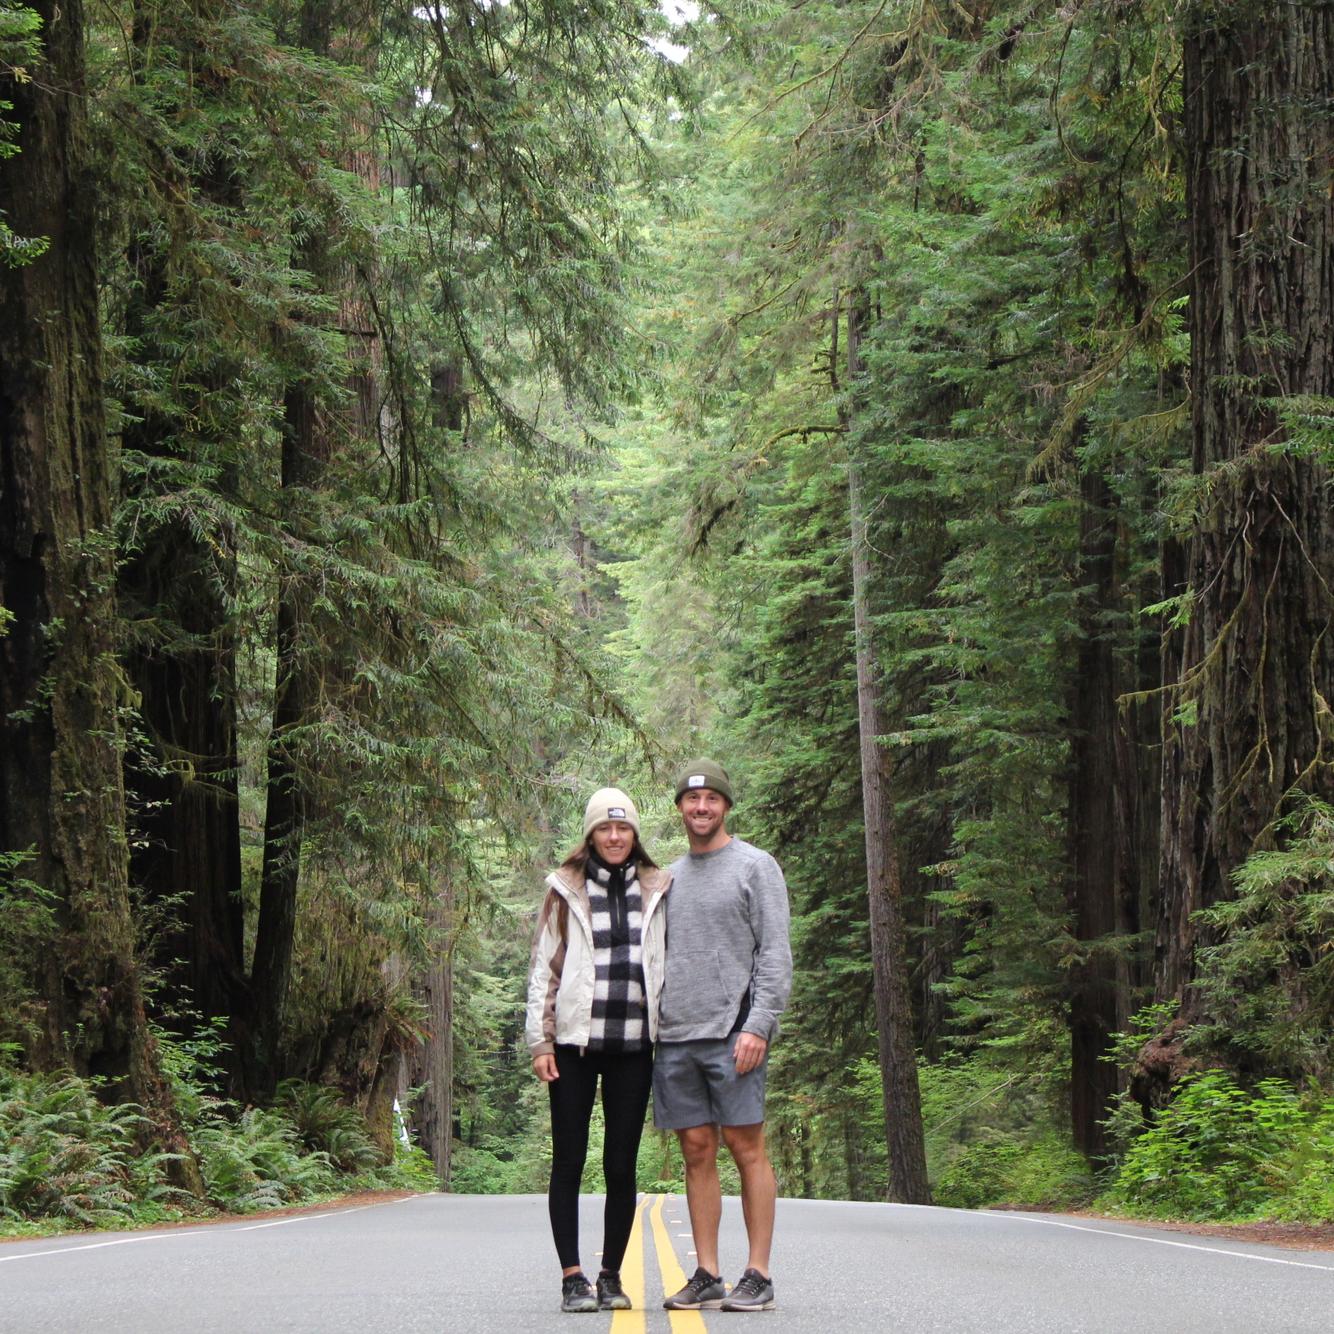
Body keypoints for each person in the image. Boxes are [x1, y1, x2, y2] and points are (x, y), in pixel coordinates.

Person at [525, 787, 671, 1314]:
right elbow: (546, 969)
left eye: (623, 828)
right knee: (568, 1160)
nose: (614, 837)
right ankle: (571, 1278)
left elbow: (664, 966)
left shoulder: (657, 888)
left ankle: (611, 1276)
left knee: (621, 1164)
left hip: (634, 1047)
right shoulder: (564, 889)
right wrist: (540, 1039)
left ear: (634, 834)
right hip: (573, 1046)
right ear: (590, 834)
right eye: (605, 829)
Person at [654, 758, 792, 1313]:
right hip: (675, 1037)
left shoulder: (755, 867)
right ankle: (708, 1272)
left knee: (745, 1147)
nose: (701, 808)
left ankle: (758, 1272)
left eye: (711, 799)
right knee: (695, 1150)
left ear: (726, 806)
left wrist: (759, 1024)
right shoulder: (667, 878)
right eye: (692, 800)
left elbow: (775, 952)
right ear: (680, 809)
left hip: (734, 1033)